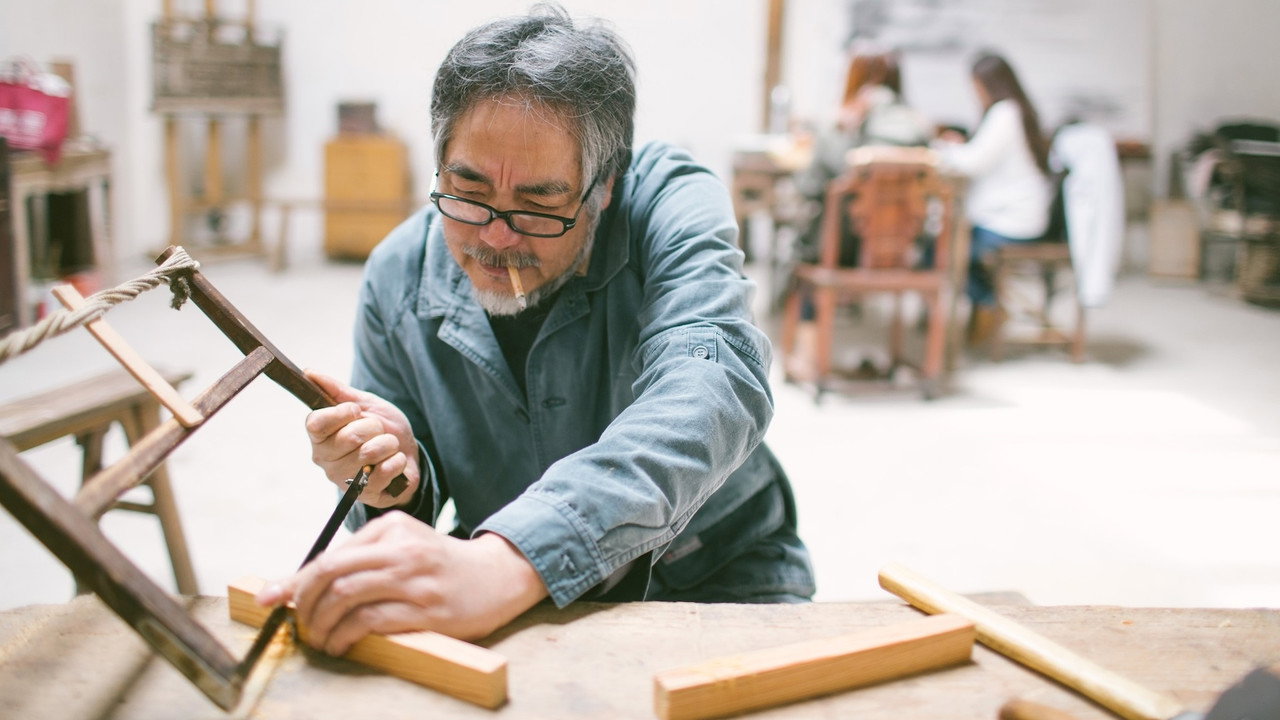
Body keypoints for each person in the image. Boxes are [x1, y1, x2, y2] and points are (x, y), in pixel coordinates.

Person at [255, 4, 815, 654]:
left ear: (604, 186)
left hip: (710, 574)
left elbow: (714, 386)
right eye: (468, 190)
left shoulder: (667, 203)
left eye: (539, 203)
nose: (495, 236)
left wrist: (506, 559)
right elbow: (401, 507)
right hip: (513, 593)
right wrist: (394, 475)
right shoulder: (397, 275)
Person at [934, 51, 1053, 342]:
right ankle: (987, 308)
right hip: (1019, 216)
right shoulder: (1018, 112)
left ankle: (988, 305)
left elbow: (973, 163)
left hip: (1012, 222)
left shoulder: (1004, 114)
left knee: (947, 251)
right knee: (950, 245)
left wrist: (945, 149)